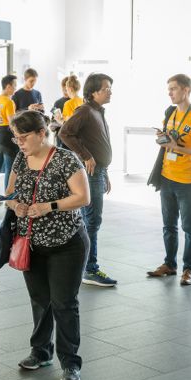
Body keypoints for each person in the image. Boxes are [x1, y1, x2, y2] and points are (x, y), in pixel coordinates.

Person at [5, 110, 90, 380]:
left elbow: (83, 197)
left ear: (42, 133)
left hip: (66, 242)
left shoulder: (65, 159)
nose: (19, 142)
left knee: (64, 303)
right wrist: (15, 205)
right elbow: (9, 194)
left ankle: (70, 363)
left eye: (23, 137)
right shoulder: (21, 157)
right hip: (32, 242)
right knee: (40, 301)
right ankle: (40, 352)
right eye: (15, 137)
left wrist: (47, 207)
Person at [147, 74, 191, 286]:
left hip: (187, 180)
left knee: (189, 228)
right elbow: (170, 141)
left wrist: (175, 147)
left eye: (173, 89)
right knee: (168, 225)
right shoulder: (171, 113)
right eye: (169, 89)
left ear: (186, 90)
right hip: (167, 177)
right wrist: (163, 138)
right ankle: (169, 264)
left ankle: (189, 269)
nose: (170, 93)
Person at [60, 73, 118, 287]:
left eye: (110, 87)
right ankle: (89, 268)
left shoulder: (97, 112)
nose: (110, 91)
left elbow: (99, 143)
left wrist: (106, 172)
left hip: (99, 172)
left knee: (89, 221)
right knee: (91, 221)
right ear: (93, 91)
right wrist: (86, 155)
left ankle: (83, 266)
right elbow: (65, 133)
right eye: (106, 88)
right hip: (92, 173)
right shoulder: (84, 111)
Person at [0, 74, 18, 204]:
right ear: (8, 86)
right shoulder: (9, 102)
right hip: (7, 138)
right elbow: (12, 123)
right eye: (14, 86)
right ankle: (7, 199)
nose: (15, 89)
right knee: (9, 169)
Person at [50, 76, 71, 147]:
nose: (65, 91)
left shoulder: (76, 101)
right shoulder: (58, 103)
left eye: (67, 89)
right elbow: (52, 125)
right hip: (60, 139)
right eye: (64, 89)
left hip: (73, 138)